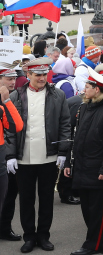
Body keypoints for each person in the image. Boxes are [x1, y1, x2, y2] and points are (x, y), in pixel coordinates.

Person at [5, 57, 71, 253]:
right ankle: (29, 236)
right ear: (28, 75)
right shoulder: (16, 95)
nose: (42, 78)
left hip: (48, 156)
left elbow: (65, 124)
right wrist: (10, 155)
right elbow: (10, 128)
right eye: (38, 75)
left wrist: (63, 151)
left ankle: (43, 236)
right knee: (26, 200)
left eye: (44, 74)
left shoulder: (58, 95)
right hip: (23, 157)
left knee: (46, 199)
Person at [65, 67, 103, 255]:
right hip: (82, 166)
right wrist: (68, 163)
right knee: (87, 210)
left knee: (97, 211)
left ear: (97, 89)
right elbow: (75, 138)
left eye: (88, 86)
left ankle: (92, 245)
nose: (84, 90)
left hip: (98, 168)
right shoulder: (83, 107)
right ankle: (102, 243)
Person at [0, 63, 24, 240]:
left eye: (14, 78)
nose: (13, 82)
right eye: (9, 79)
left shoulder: (4, 102)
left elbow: (17, 126)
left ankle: (4, 229)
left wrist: (6, 101)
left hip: (3, 155)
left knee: (6, 198)